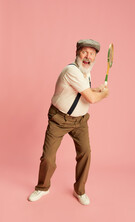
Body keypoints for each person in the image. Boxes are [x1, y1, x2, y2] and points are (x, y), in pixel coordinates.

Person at [28, 39, 109, 205]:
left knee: (85, 153)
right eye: (85, 52)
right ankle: (42, 188)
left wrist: (97, 88)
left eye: (92, 54)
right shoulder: (71, 71)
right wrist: (103, 94)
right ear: (77, 53)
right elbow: (92, 99)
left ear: (95, 58)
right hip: (59, 119)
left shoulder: (86, 72)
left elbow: (81, 91)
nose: (88, 56)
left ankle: (80, 190)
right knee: (48, 158)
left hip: (80, 122)